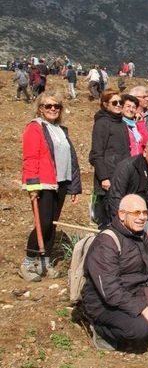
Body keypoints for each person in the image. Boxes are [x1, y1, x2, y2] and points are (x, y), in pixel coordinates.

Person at [83, 194, 148, 351]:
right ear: (122, 215)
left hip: (132, 292)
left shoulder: (139, 235)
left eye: (144, 213)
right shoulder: (107, 242)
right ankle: (101, 329)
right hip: (102, 303)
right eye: (136, 213)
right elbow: (110, 291)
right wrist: (144, 309)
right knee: (139, 329)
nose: (142, 217)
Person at [19, 93, 81, 282]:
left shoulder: (60, 129)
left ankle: (45, 262)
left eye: (57, 106)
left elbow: (71, 159)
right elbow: (30, 157)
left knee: (52, 224)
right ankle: (28, 262)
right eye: (48, 106)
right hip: (43, 183)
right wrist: (32, 185)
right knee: (43, 223)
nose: (53, 109)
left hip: (60, 182)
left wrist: (73, 187)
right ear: (40, 108)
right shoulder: (35, 127)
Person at [109, 138, 148, 241]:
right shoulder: (127, 167)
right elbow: (115, 198)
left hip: (147, 220)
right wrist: (123, 225)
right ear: (145, 153)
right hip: (125, 218)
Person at [89, 91, 130, 228]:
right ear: (106, 105)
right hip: (108, 178)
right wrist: (104, 177)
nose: (118, 105)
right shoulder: (102, 123)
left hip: (121, 176)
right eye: (114, 102)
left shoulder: (121, 124)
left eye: (120, 102)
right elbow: (96, 153)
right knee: (108, 217)